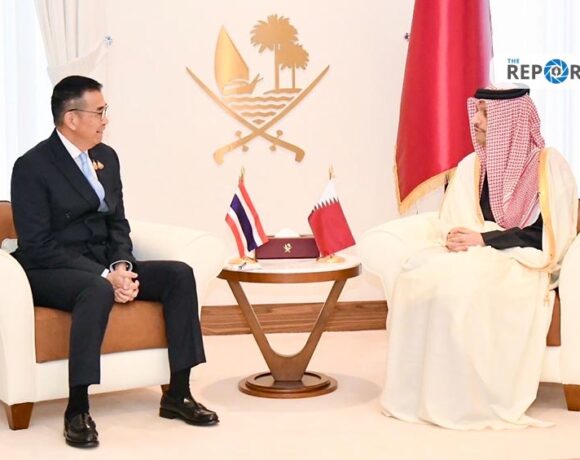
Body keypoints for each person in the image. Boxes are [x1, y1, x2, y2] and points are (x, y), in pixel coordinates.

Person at [10, 75, 219, 448]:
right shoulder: (32, 166)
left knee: (179, 275)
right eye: (99, 112)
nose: (105, 120)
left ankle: (178, 394)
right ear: (72, 118)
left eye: (105, 111)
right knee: (96, 289)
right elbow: (37, 244)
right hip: (50, 269)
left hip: (103, 264)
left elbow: (118, 222)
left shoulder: (106, 157)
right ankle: (77, 409)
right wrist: (105, 275)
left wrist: (122, 265)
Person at [377, 87, 577, 429]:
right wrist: (463, 239)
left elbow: (547, 234)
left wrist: (485, 239)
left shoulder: (547, 165)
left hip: (523, 259)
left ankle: (469, 398)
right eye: (478, 112)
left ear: (509, 121)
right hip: (477, 250)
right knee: (415, 274)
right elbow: (456, 220)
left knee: (463, 283)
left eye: (485, 114)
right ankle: (421, 393)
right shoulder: (472, 166)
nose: (476, 121)